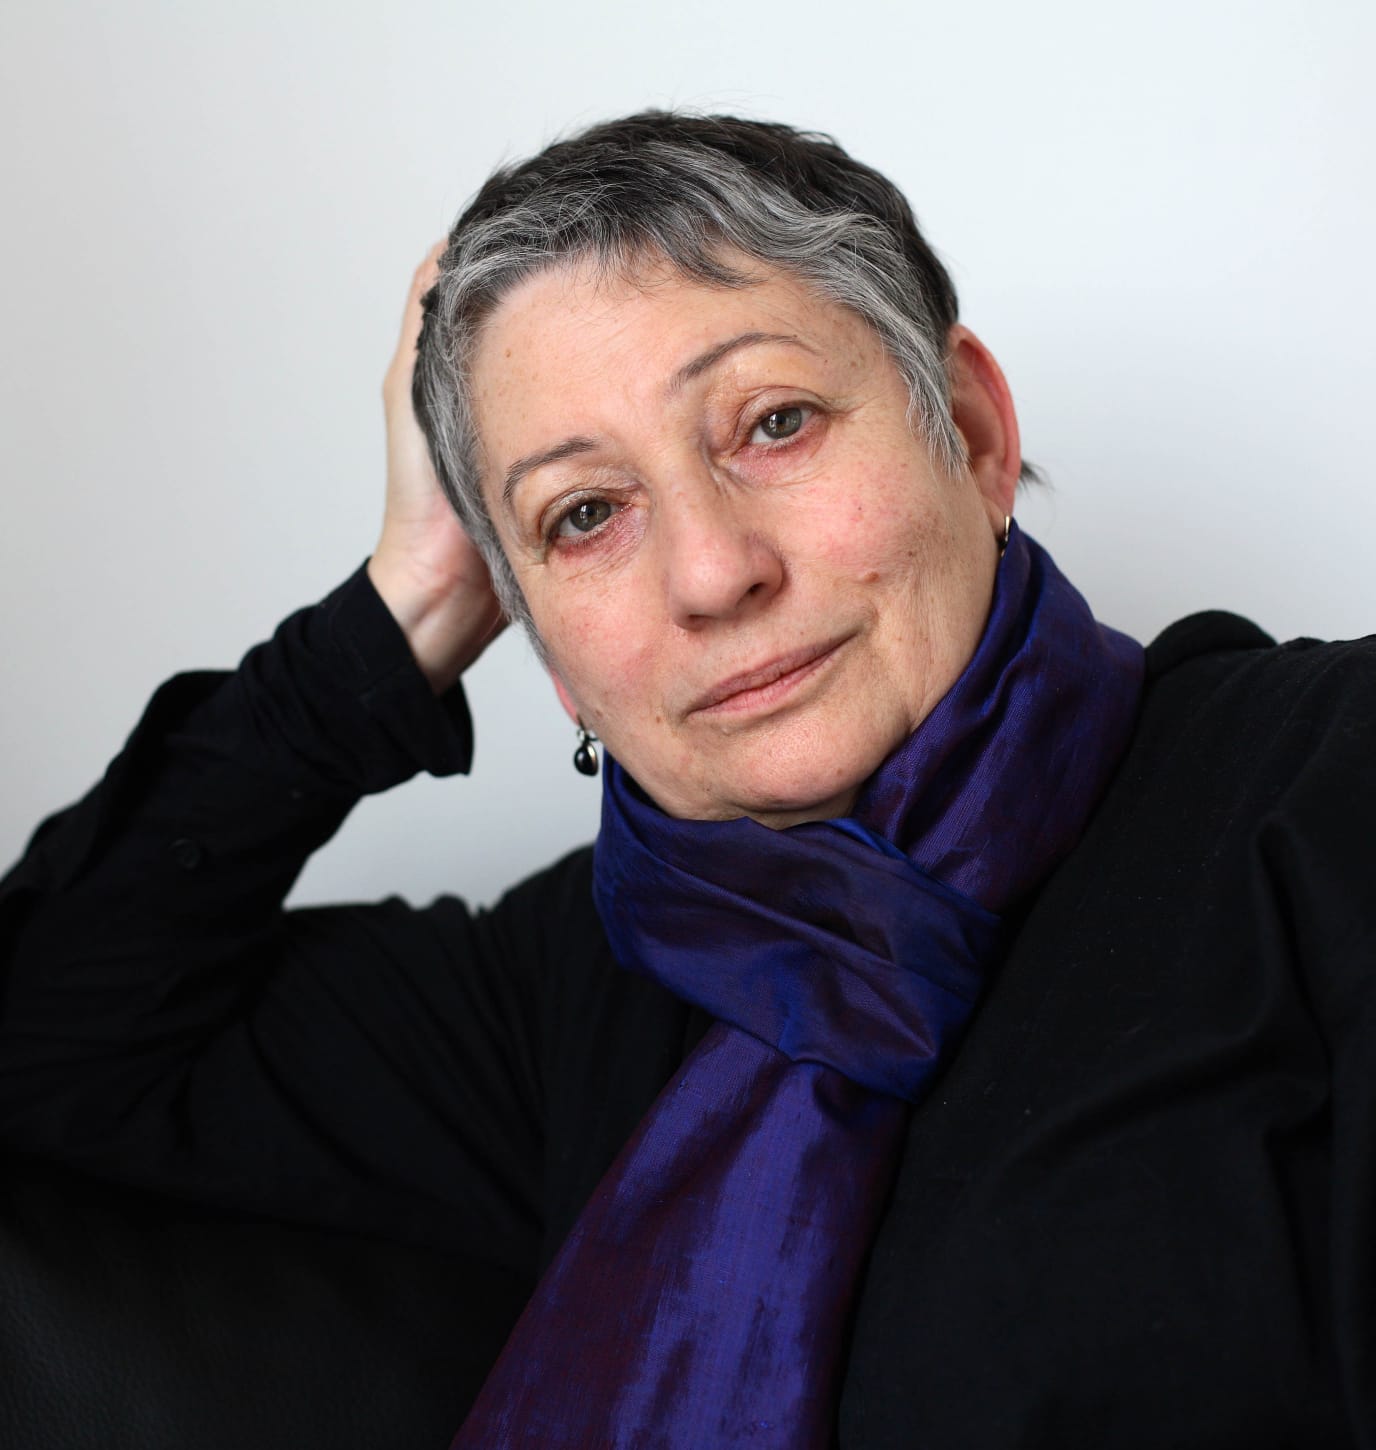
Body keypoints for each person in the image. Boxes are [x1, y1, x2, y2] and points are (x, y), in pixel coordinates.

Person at [1, 111, 1373, 1449]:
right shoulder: (570, 993)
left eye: (773, 422)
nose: (715, 572)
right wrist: (409, 602)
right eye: (585, 515)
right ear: (546, 651)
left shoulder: (1325, 785)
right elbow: (53, 1030)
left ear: (969, 432)